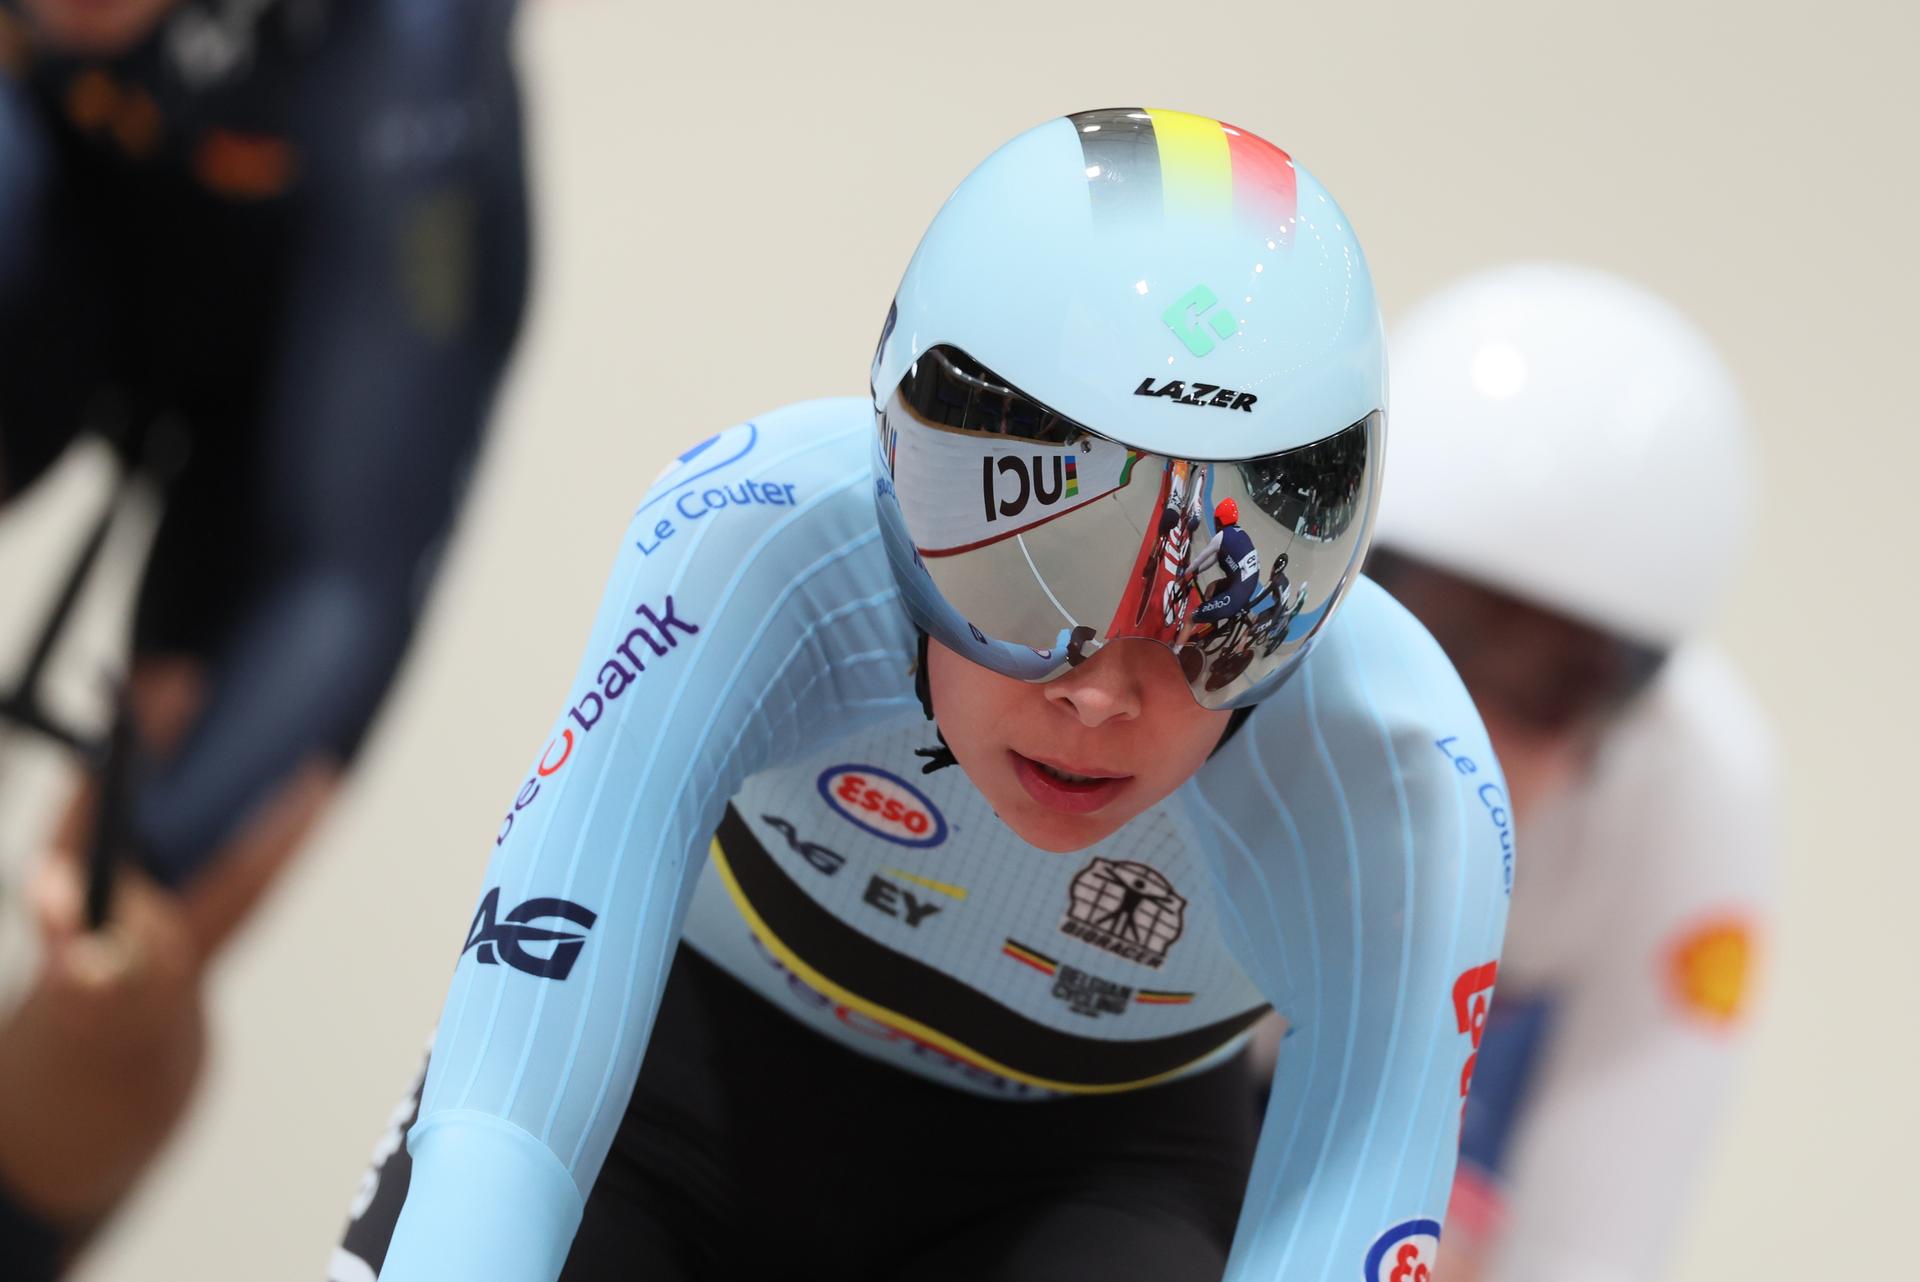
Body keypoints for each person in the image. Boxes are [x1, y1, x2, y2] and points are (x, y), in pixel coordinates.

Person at [331, 108, 1510, 1282]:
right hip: (667, 1100)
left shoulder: (1411, 776)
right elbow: (505, 1124)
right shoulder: (752, 538)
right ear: (894, 466)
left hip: (1092, 1184)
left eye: (1222, 610)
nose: (1103, 693)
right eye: (1032, 569)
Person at [0, 0, 528, 1273]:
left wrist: (148, 880)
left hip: (318, 360)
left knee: (121, 946)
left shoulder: (407, 62)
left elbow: (339, 581)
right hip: (62, 212)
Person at [1364, 263, 1776, 1282]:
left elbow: (1595, 1242)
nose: (1465, 724)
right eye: (1436, 639)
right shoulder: (1217, 685)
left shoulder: (1697, 790)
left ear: (1626, 707)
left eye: (1551, 684)